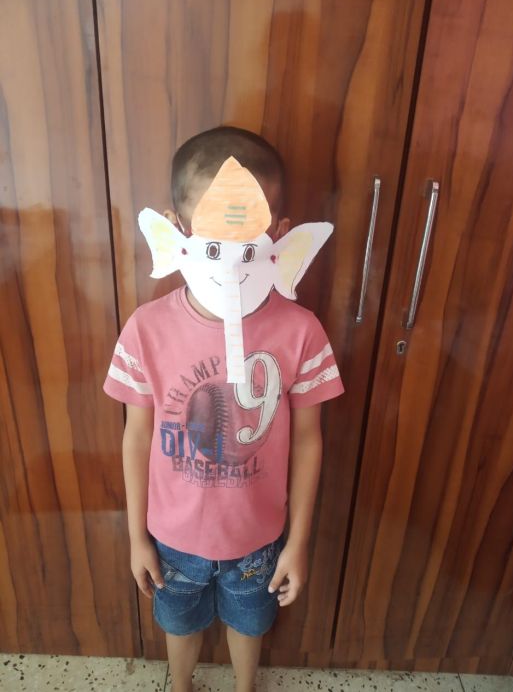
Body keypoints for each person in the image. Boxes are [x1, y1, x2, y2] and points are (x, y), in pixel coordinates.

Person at [102, 126, 344, 692]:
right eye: (214, 240)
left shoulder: (300, 332)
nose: (232, 261)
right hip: (172, 536)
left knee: (249, 625)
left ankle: (244, 687)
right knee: (179, 626)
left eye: (249, 240)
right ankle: (181, 685)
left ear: (280, 235)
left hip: (258, 538)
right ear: (176, 228)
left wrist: (298, 542)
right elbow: (136, 436)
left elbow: (309, 439)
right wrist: (137, 537)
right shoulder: (146, 329)